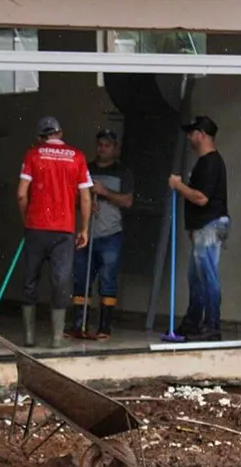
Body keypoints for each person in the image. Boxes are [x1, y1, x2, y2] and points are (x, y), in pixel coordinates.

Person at [17, 116, 93, 348]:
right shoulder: (77, 156)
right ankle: (57, 339)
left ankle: (29, 337)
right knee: (61, 281)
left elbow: (21, 194)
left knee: (30, 280)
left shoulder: (32, 154)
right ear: (60, 133)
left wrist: (26, 220)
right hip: (64, 231)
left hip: (36, 229)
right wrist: (84, 228)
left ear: (41, 137)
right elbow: (86, 198)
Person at [168, 115, 230, 342]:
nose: (189, 137)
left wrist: (178, 186)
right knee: (196, 277)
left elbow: (201, 198)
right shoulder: (204, 162)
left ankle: (212, 326)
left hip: (210, 226)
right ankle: (193, 323)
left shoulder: (211, 162)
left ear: (202, 134)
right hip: (203, 227)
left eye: (192, 132)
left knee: (207, 275)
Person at [68, 128, 134, 340]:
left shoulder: (123, 172)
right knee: (81, 279)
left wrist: (104, 192)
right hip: (86, 233)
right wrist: (85, 203)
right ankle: (79, 325)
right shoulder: (86, 169)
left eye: (107, 145)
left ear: (115, 149)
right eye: (100, 145)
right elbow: (74, 198)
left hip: (110, 235)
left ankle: (104, 327)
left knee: (107, 280)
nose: (102, 149)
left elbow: (127, 201)